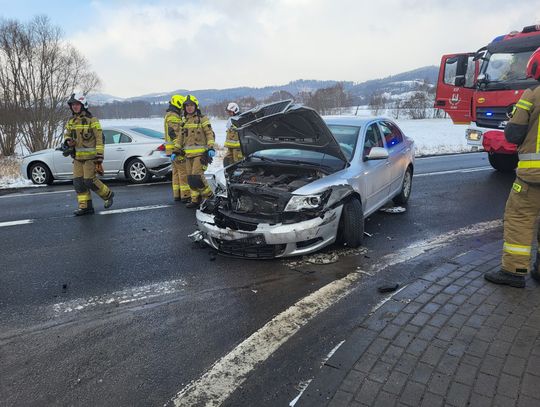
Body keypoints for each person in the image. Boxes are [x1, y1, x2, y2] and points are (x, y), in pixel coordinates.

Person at [484, 48, 540, 288]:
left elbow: (514, 133)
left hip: (533, 176)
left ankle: (514, 272)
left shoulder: (532, 94)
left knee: (519, 217)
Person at [64, 93, 114, 216]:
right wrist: (68, 141)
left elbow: (99, 139)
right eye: (72, 105)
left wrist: (99, 157)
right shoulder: (71, 121)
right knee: (78, 182)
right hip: (77, 157)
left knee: (89, 181)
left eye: (77, 104)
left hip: (90, 158)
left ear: (83, 105)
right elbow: (67, 134)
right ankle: (85, 207)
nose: (74, 107)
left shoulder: (93, 120)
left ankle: (108, 195)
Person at [175, 94, 215, 208]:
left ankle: (209, 197)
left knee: (197, 176)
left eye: (191, 105)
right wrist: (175, 151)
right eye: (187, 106)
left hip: (200, 154)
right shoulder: (184, 121)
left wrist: (211, 147)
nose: (189, 108)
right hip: (188, 155)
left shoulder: (202, 119)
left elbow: (209, 134)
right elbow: (180, 138)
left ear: (195, 106)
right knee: (190, 179)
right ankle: (195, 200)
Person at [164, 94, 190, 202]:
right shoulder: (173, 116)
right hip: (176, 149)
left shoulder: (171, 115)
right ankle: (186, 195)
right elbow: (174, 133)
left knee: (176, 172)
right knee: (183, 172)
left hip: (172, 150)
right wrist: (178, 149)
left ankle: (177, 194)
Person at [223, 102, 243, 166]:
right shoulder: (231, 119)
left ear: (235, 110)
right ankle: (229, 174)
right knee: (227, 160)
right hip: (230, 147)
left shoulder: (240, 119)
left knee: (237, 163)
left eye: (230, 112)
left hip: (237, 148)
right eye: (228, 112)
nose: (228, 113)